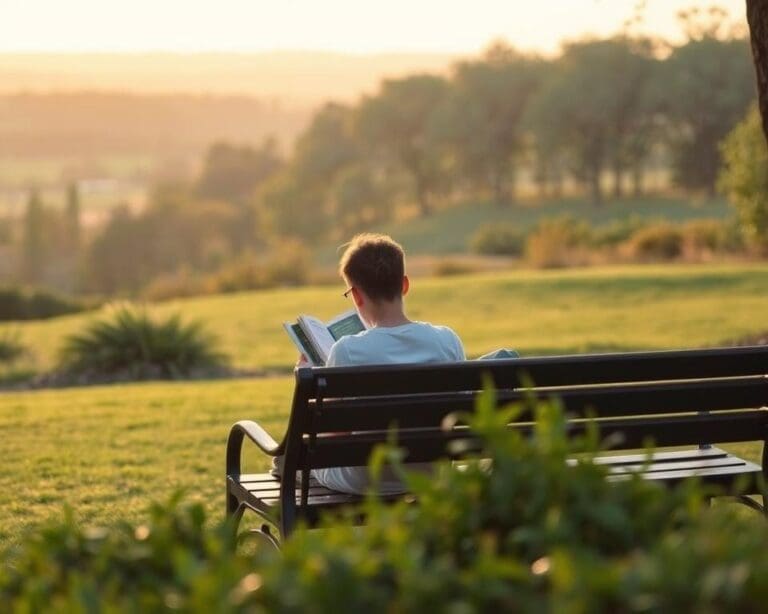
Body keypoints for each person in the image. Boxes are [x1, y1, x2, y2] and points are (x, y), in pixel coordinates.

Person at [311, 232, 465, 495]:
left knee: (290, 461)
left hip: (367, 479)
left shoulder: (347, 351)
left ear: (357, 296)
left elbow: (332, 436)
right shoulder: (447, 340)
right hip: (432, 473)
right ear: (404, 285)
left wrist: (305, 372)